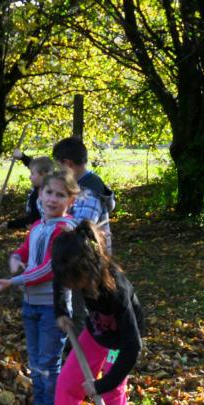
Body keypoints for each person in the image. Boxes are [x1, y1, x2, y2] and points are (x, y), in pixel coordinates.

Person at [33, 221, 152, 405]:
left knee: (112, 400)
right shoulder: (70, 265)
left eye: (73, 281)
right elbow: (58, 280)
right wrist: (61, 311)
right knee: (67, 383)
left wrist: (102, 384)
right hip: (96, 333)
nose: (69, 284)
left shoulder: (116, 292)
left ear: (87, 269)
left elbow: (133, 346)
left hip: (120, 343)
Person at [0, 170, 78, 405]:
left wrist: (14, 281)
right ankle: (41, 404)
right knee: (35, 360)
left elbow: (49, 269)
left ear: (70, 200)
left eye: (60, 195)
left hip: (53, 308)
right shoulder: (38, 226)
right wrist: (15, 258)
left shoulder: (65, 230)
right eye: (49, 192)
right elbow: (25, 249)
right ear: (40, 194)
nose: (52, 199)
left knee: (48, 362)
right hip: (31, 304)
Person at [52, 137, 116, 336]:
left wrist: (56, 223)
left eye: (58, 166)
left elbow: (81, 227)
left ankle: (85, 347)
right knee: (74, 303)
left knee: (85, 309)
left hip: (87, 261)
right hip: (76, 259)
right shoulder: (77, 186)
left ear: (68, 164)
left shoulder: (89, 191)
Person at [0, 151, 54, 230]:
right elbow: (36, 167)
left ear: (43, 174)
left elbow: (32, 219)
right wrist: (22, 157)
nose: (29, 177)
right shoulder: (42, 184)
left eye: (32, 173)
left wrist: (10, 225)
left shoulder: (41, 197)